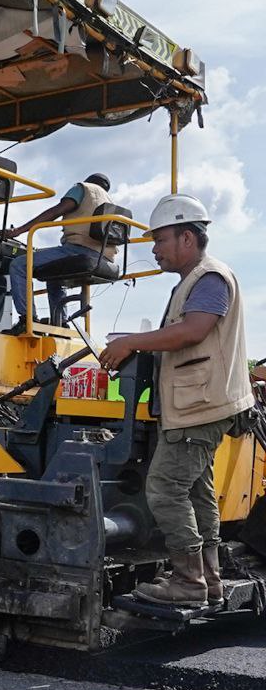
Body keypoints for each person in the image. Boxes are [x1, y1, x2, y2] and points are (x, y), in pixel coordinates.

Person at [100, 194, 252, 608]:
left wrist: (132, 341)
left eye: (161, 239)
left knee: (165, 487)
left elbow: (194, 331)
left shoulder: (209, 277)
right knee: (198, 492)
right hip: (197, 404)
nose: (155, 248)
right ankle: (208, 577)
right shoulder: (194, 280)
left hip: (201, 405)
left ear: (187, 237)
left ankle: (187, 581)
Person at [1, 172, 117, 329]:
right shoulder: (110, 202)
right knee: (54, 271)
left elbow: (56, 211)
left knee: (19, 264)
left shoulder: (84, 189)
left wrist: (19, 231)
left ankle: (27, 319)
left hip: (79, 249)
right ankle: (60, 322)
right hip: (104, 257)